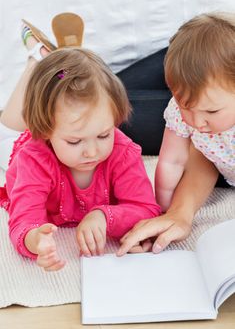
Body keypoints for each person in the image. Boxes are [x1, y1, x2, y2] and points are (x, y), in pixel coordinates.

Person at [0, 24, 161, 271]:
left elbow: (146, 208)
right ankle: (37, 60)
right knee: (6, 132)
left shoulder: (122, 151)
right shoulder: (32, 159)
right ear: (46, 133)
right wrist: (36, 240)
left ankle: (53, 60)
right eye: (75, 141)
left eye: (104, 134)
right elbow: (24, 220)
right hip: (14, 147)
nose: (92, 152)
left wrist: (103, 217)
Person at [117, 12, 235, 256]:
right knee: (105, 98)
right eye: (186, 108)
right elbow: (179, 159)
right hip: (198, 60)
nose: (197, 122)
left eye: (211, 111)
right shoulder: (186, 114)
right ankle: (69, 68)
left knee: (109, 106)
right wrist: (169, 209)